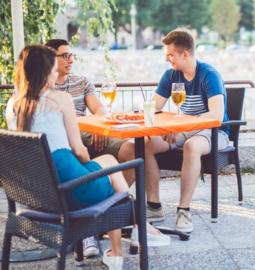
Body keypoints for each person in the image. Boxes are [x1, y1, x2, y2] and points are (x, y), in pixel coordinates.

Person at [10, 45, 169, 270]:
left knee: (107, 165)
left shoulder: (13, 106)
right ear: (44, 73)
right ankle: (133, 232)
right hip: (70, 191)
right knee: (112, 170)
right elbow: (79, 150)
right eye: (54, 70)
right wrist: (88, 168)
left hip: (37, 194)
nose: (57, 74)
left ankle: (124, 241)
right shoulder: (58, 99)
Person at [44, 39, 135, 257]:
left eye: (71, 54)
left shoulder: (81, 81)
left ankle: (112, 213)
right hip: (68, 143)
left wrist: (97, 128)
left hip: (88, 135)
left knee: (132, 149)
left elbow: (100, 111)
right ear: (49, 59)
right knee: (105, 167)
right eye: (64, 55)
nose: (70, 59)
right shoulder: (46, 91)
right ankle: (107, 224)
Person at [144, 28, 230, 233]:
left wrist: (182, 127)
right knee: (146, 145)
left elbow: (216, 115)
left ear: (185, 54)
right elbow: (154, 105)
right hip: (185, 130)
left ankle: (184, 210)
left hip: (215, 133)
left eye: (170, 55)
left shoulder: (209, 75)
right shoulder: (171, 75)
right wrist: (145, 112)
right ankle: (154, 206)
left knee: (192, 146)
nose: (167, 59)